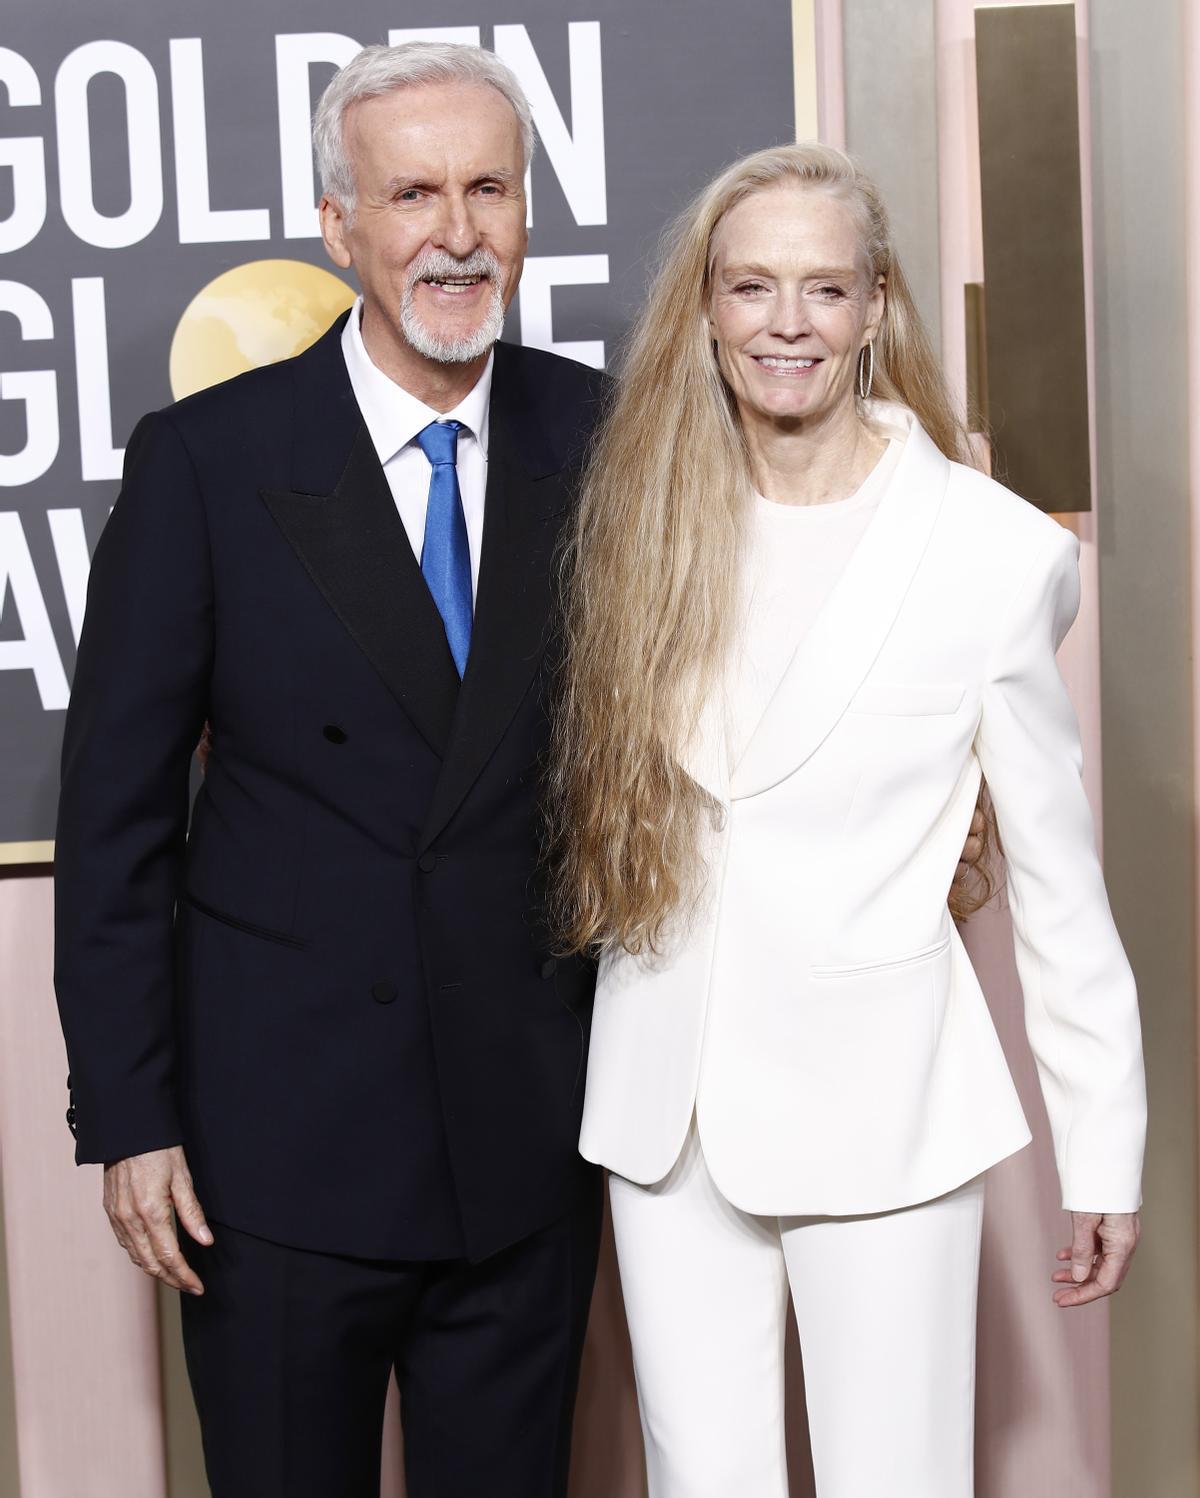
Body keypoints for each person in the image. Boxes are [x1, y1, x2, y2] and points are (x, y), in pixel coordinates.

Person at [550, 142, 1147, 1498]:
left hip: (882, 1110)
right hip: (667, 1111)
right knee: (700, 1477)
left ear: (877, 307)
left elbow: (1057, 880)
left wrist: (1099, 1145)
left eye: (825, 289)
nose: (786, 324)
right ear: (704, 308)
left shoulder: (992, 553)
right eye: (751, 287)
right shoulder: (641, 515)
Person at [53, 42, 607, 1498]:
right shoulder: (208, 461)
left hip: (525, 1135)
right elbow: (113, 823)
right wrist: (129, 1113)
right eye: (412, 191)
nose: (455, 229)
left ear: (528, 214)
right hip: (275, 1151)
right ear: (338, 223)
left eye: (489, 187)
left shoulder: (601, 440)